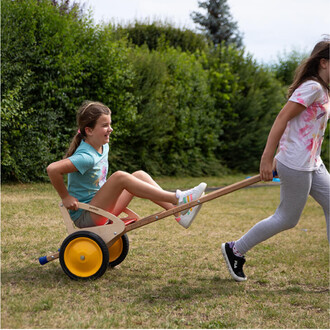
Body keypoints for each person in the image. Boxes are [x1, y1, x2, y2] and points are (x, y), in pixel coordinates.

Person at [221, 39, 330, 282]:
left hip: (313, 162)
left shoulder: (323, 89)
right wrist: (267, 158)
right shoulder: (311, 87)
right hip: (296, 163)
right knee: (287, 218)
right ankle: (235, 249)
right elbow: (282, 118)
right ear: (323, 62)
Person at [47, 101, 207, 229]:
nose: (110, 129)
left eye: (109, 124)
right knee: (120, 177)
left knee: (139, 175)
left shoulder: (103, 146)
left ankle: (178, 213)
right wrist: (65, 197)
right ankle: (178, 198)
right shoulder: (85, 156)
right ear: (89, 130)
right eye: (104, 125)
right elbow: (53, 169)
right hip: (86, 216)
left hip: (100, 209)